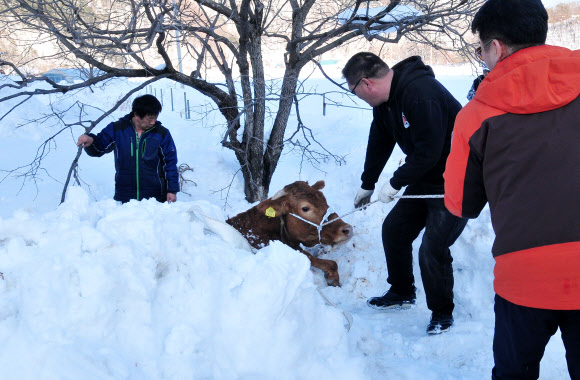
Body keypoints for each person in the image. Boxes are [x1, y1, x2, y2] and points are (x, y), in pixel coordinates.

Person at [443, 0, 580, 378]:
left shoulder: (475, 117)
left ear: (497, 48)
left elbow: (460, 204)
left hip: (527, 281)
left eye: (481, 49)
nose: (483, 58)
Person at [343, 52, 468, 334]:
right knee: (395, 230)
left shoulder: (421, 94)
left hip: (457, 181)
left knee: (432, 248)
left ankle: (442, 313)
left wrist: (396, 182)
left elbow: (430, 150)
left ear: (366, 84)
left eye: (355, 92)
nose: (358, 97)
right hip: (426, 177)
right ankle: (401, 291)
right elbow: (380, 139)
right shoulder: (387, 102)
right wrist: (368, 182)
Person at [77, 94, 179, 203]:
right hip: (125, 197)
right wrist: (90, 140)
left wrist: (172, 190)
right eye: (150, 118)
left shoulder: (161, 133)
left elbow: (170, 163)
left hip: (155, 198)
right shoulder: (118, 129)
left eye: (155, 118)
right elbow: (99, 147)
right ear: (136, 115)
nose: (153, 122)